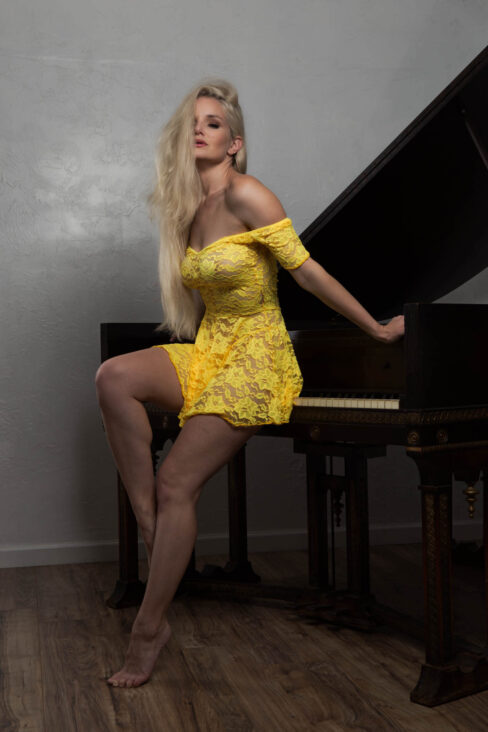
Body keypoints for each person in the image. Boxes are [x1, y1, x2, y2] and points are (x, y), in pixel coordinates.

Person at [95, 79, 404, 688]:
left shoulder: (248, 195)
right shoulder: (189, 208)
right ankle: (150, 522)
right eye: (193, 122)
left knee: (176, 481)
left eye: (213, 123)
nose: (199, 130)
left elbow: (307, 273)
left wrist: (374, 328)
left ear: (234, 143)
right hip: (211, 348)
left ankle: (149, 629)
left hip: (256, 357)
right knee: (114, 376)